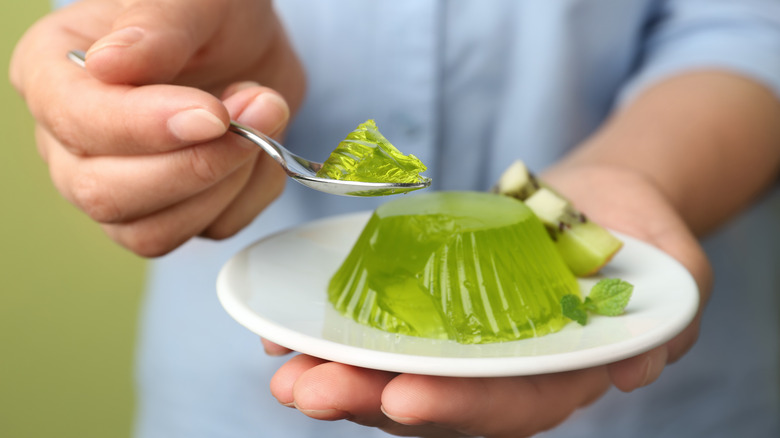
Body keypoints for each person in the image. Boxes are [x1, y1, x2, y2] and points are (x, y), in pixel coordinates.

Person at [10, 0, 780, 436]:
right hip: (240, 394)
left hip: (662, 411)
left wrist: (637, 173)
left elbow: (748, 27)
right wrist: (141, 58)